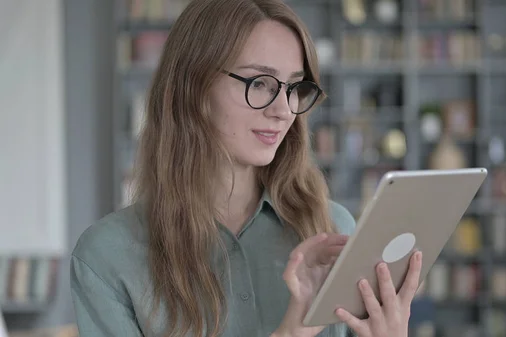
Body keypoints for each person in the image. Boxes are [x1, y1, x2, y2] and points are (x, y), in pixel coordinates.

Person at [70, 0, 422, 336]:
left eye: (294, 87)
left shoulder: (332, 229)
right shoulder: (107, 256)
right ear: (193, 86)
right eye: (260, 83)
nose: (283, 110)